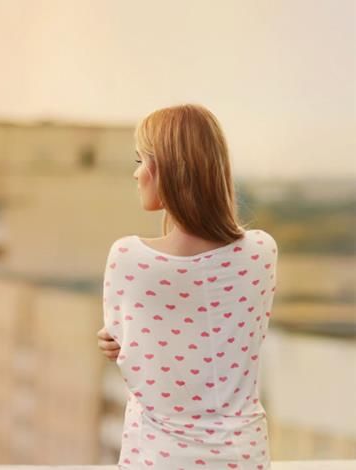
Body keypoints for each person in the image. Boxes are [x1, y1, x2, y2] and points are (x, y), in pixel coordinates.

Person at [97, 103, 278, 470]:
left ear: (166, 171)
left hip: (159, 457)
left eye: (141, 160)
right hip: (243, 456)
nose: (136, 174)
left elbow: (127, 345)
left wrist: (127, 340)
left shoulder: (129, 258)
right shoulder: (262, 251)